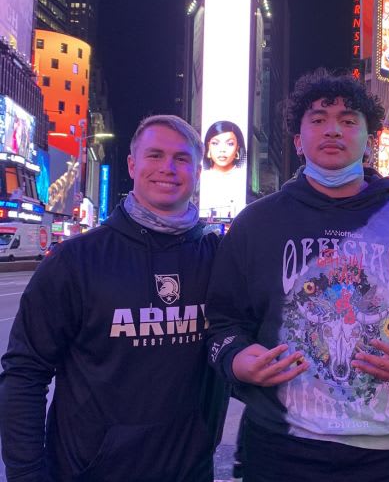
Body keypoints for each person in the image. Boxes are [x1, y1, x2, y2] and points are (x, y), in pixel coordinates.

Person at [205, 68, 389, 482]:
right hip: (280, 443)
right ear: (298, 141)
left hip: (388, 451)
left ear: (370, 139)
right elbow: (223, 323)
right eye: (318, 120)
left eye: (348, 120)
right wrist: (237, 360)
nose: (333, 130)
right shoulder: (256, 223)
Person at [0, 115, 230, 482]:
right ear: (132, 164)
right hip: (88, 473)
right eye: (154, 155)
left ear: (197, 171)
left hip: (190, 472)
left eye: (181, 158)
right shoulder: (75, 260)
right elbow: (25, 373)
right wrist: (27, 474)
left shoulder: (220, 258)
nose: (167, 168)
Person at [199, 120, 247, 219]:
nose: (222, 150)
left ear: (237, 148)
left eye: (229, 144)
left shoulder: (243, 179)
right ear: (208, 146)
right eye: (215, 143)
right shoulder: (199, 178)